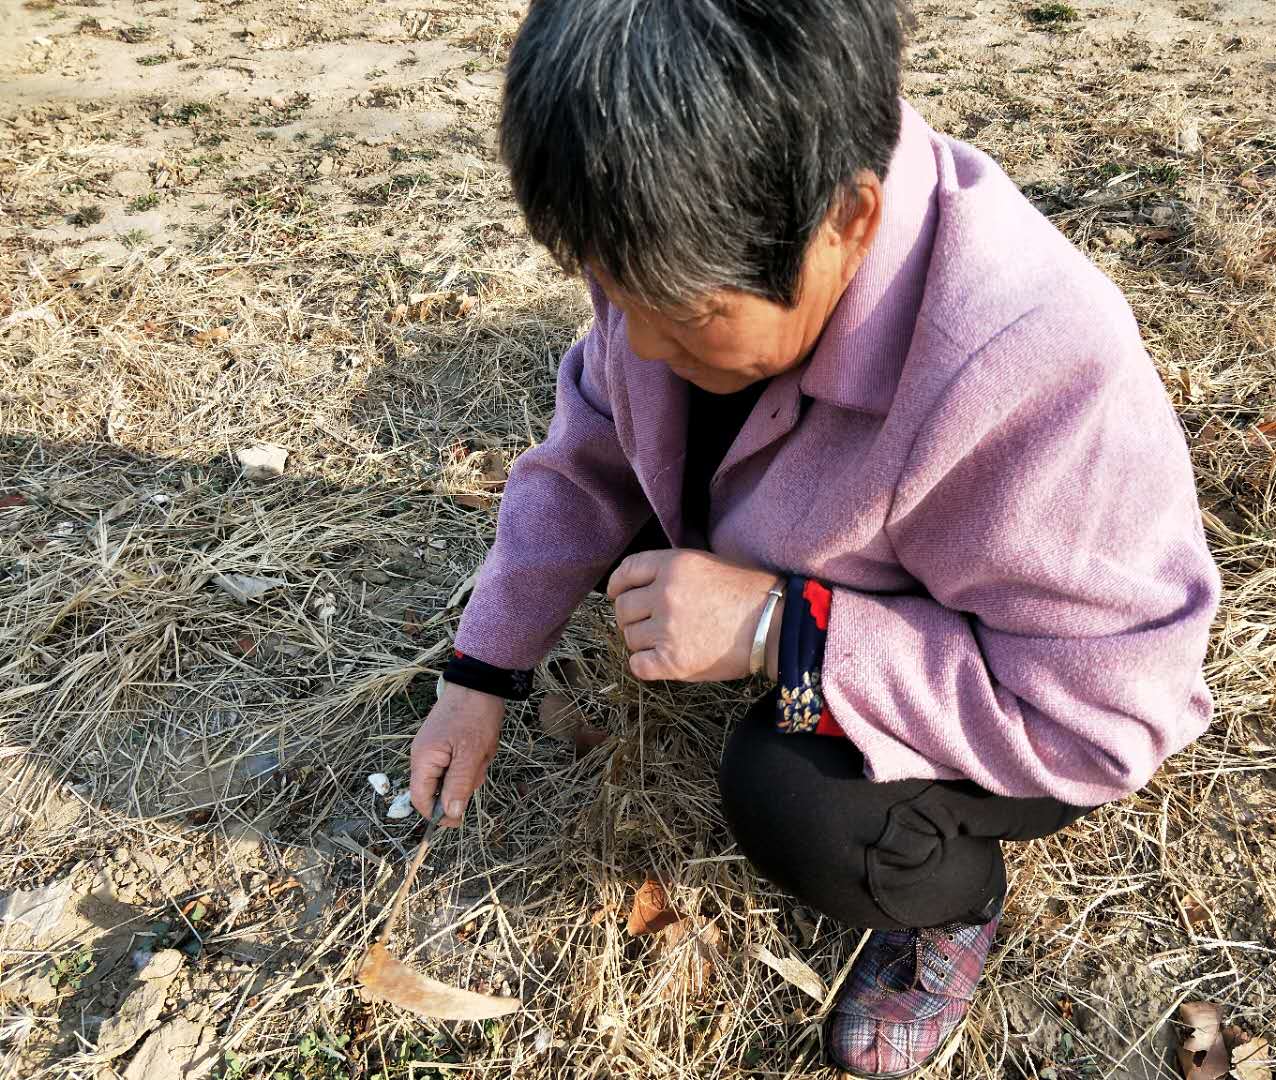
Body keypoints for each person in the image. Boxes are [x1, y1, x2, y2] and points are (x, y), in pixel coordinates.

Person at [408, 0, 1221, 1075]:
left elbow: (1106, 717)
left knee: (798, 802)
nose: (638, 340)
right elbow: (589, 451)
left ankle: (950, 911)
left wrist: (785, 636)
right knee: (618, 503)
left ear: (846, 219)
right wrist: (482, 669)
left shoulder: (1035, 366)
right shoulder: (695, 237)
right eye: (609, 287)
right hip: (821, 558)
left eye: (687, 312)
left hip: (1016, 676)